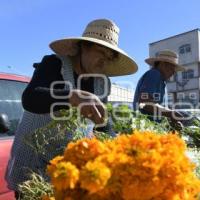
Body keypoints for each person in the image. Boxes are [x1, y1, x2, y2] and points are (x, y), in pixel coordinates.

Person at [6, 19, 138, 198]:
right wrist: (71, 96)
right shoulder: (54, 64)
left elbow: (103, 124)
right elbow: (31, 98)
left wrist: (118, 150)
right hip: (32, 168)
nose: (104, 61)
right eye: (101, 52)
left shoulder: (101, 82)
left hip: (70, 172)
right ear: (84, 47)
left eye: (109, 57)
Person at [133, 50, 184, 123]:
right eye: (172, 68)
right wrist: (171, 113)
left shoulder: (162, 81)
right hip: (145, 128)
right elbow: (144, 103)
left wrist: (170, 118)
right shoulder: (154, 74)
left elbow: (159, 108)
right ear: (162, 64)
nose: (173, 72)